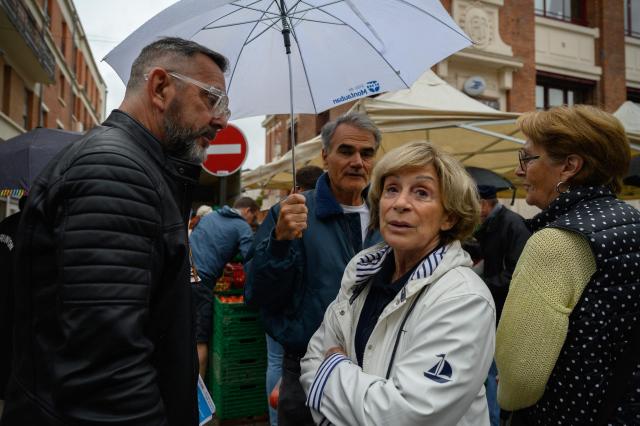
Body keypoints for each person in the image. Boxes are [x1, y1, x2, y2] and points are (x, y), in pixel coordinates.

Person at [1, 37, 230, 425]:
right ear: (160, 87)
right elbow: (108, 375)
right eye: (211, 99)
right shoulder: (116, 173)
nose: (222, 120)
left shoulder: (134, 168)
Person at [300, 141, 495, 425]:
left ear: (449, 216)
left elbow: (403, 415)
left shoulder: (463, 299)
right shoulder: (361, 274)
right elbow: (310, 361)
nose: (400, 203)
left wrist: (332, 369)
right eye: (392, 189)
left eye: (421, 192)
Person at [496, 105, 640, 425]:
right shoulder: (633, 221)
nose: (519, 171)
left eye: (527, 158)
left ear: (569, 167)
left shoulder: (556, 243)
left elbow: (519, 380)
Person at [245, 112, 383, 426]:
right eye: (346, 151)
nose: (357, 162)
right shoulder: (291, 213)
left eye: (367, 153)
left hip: (372, 373)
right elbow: (258, 294)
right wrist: (279, 242)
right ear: (325, 156)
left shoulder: (387, 216)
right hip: (307, 372)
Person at [264, 164, 325, 426]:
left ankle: (277, 419)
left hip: (287, 308)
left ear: (297, 188)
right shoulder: (289, 213)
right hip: (309, 311)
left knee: (277, 361)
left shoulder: (283, 210)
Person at [473, 185, 530, 426]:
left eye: (474, 207)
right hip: (494, 306)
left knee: (493, 372)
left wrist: (483, 285)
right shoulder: (490, 224)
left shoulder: (512, 224)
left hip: (505, 309)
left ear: (485, 204)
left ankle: (496, 420)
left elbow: (518, 273)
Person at [189, 196, 258, 377]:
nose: (252, 222)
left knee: (182, 332)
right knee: (199, 340)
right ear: (248, 211)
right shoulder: (242, 226)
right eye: (254, 218)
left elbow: (201, 244)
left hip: (183, 275)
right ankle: (197, 398)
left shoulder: (210, 217)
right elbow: (251, 260)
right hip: (201, 281)